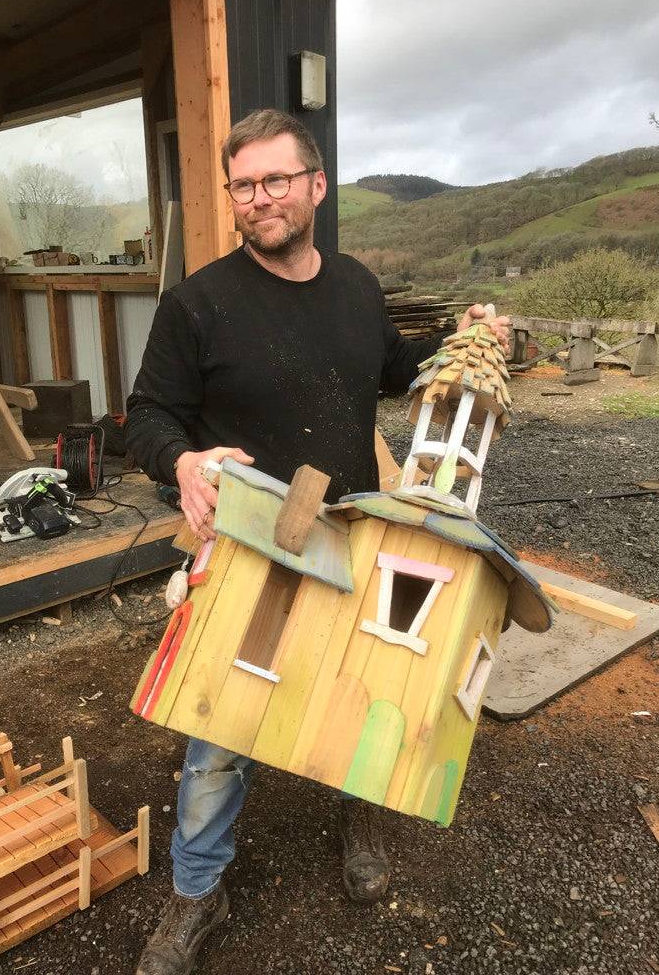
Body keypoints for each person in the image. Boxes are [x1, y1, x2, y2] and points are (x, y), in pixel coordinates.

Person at [126, 108, 510, 975]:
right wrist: (182, 461)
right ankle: (197, 891)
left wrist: (462, 341)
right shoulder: (197, 305)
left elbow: (390, 366)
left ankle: (359, 810)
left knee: (364, 681)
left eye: (275, 180)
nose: (259, 199)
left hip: (360, 531)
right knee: (223, 723)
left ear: (316, 186)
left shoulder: (355, 287)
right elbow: (146, 416)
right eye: (244, 185)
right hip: (260, 541)